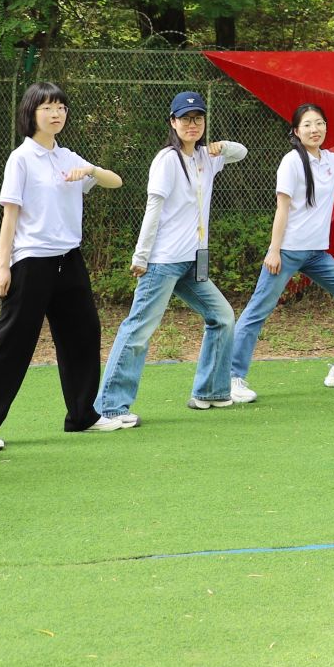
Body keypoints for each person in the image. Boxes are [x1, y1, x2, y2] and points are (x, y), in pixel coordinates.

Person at [0, 82, 121, 441]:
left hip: (69, 259)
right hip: (31, 262)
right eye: (47, 108)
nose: (56, 114)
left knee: (84, 333)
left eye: (61, 108)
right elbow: (10, 215)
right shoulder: (21, 158)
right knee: (13, 342)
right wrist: (3, 266)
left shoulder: (69, 157)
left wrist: (89, 170)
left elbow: (115, 182)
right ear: (31, 113)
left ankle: (82, 415)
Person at [92, 90, 246, 428]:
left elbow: (241, 152)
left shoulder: (206, 157)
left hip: (193, 261)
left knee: (222, 316)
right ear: (173, 122)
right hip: (162, 262)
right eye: (185, 119)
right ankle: (111, 407)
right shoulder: (167, 160)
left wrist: (221, 146)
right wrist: (141, 255)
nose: (192, 124)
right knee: (139, 329)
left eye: (198, 118)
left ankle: (211, 391)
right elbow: (154, 209)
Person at [228, 103, 334, 402]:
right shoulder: (291, 162)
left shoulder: (330, 160)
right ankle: (230, 378)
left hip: (316, 254)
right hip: (287, 252)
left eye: (319, 123)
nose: (315, 129)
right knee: (257, 311)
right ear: (296, 131)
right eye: (307, 125)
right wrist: (274, 251)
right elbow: (282, 209)